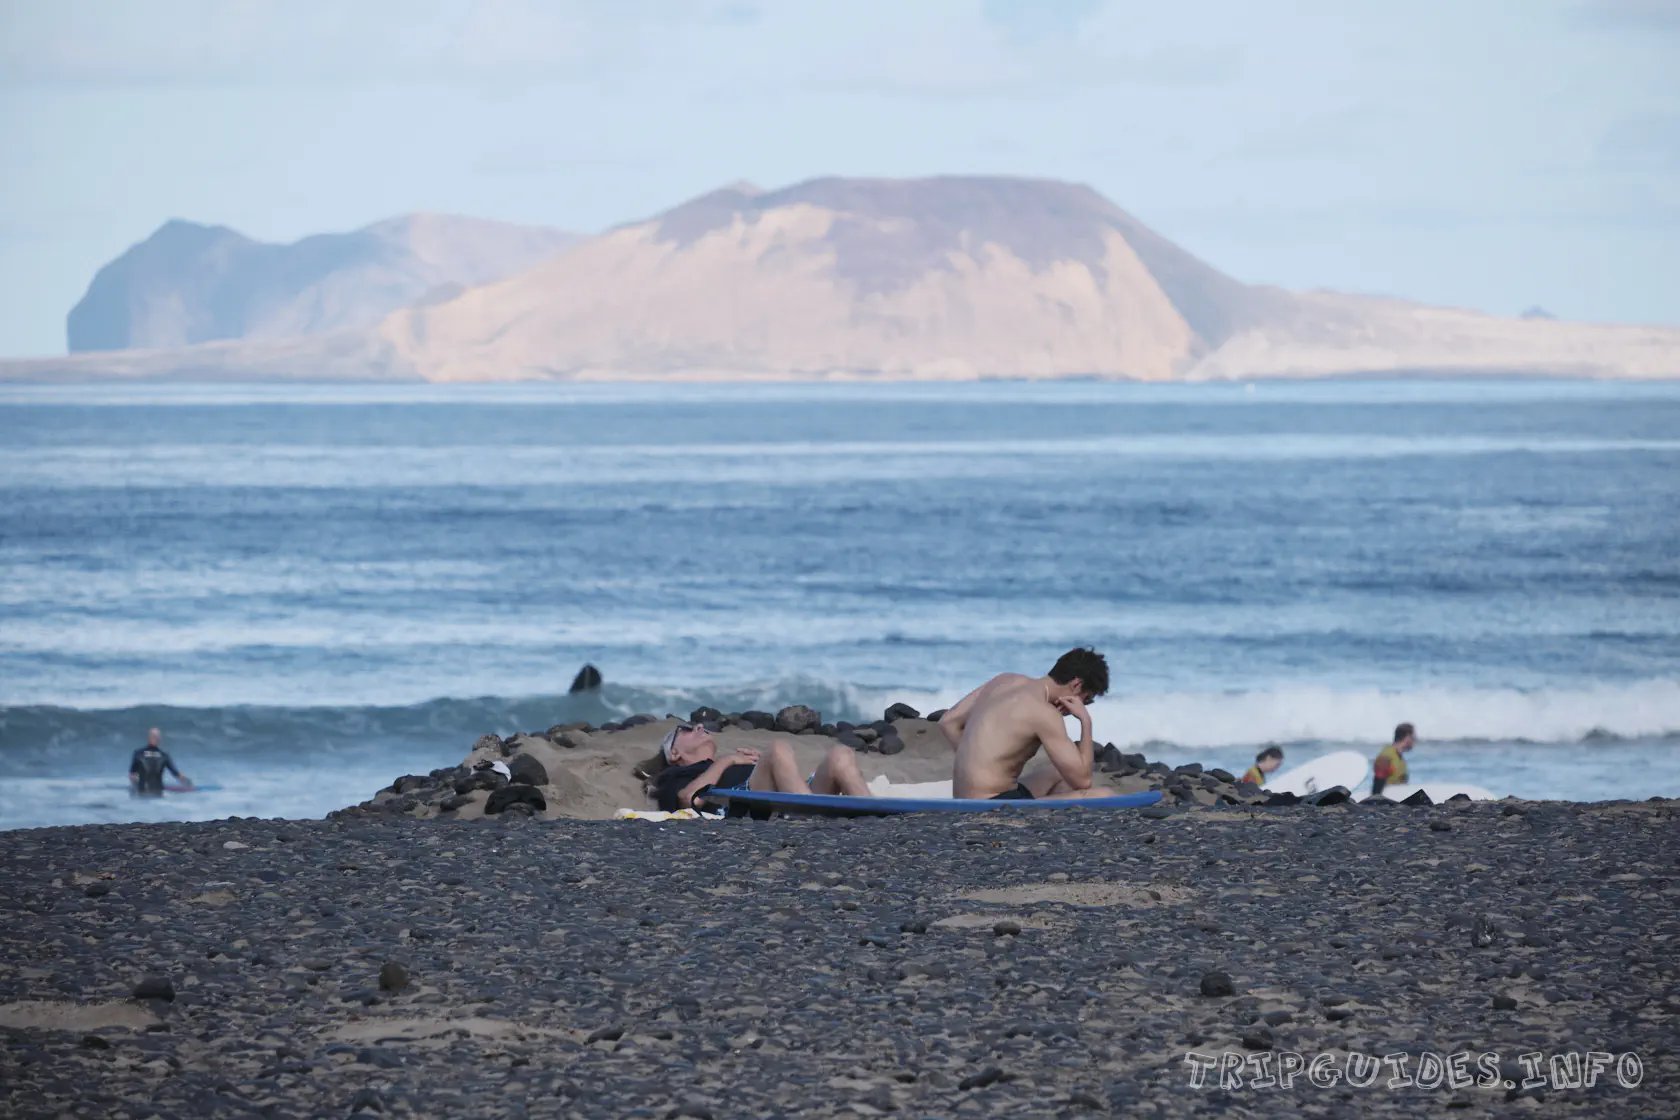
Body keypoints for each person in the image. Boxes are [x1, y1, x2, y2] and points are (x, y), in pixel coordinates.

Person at [939, 647, 1117, 800]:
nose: (1079, 707)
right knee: (1104, 795)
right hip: (993, 804)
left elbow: (948, 721)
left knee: (1057, 774)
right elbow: (1083, 781)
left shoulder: (1005, 680)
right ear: (1076, 685)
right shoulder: (1044, 712)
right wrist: (1085, 721)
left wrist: (973, 764)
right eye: (1085, 700)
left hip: (963, 798)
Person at [649, 722, 871, 816]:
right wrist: (726, 761)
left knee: (840, 754)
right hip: (746, 808)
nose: (699, 726)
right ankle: (809, 814)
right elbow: (689, 799)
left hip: (784, 800)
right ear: (675, 753)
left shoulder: (725, 763)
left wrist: (758, 765)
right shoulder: (674, 775)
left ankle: (877, 819)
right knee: (777, 748)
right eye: (686, 728)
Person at [129, 728, 190, 796]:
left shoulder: (138, 754)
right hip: (158, 793)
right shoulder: (164, 756)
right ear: (159, 739)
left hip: (142, 792)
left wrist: (135, 786)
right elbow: (177, 775)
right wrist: (189, 784)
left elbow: (132, 776)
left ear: (148, 738)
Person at [1370, 722, 1415, 796]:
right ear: (1407, 737)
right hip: (1387, 803)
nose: (1414, 741)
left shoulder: (1399, 757)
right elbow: (1376, 792)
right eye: (1413, 738)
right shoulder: (1386, 756)